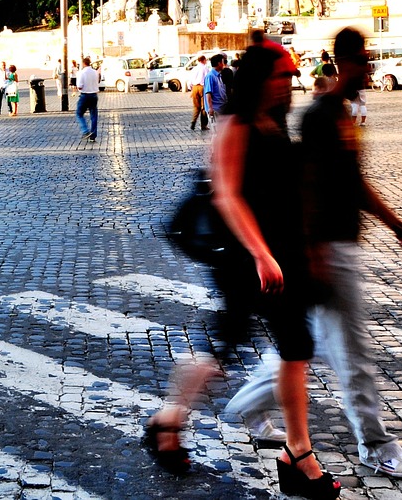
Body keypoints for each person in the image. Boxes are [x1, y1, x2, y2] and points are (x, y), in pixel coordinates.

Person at [224, 28, 402, 479]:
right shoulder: (319, 117)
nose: (370, 67)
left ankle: (244, 404)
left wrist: (399, 227)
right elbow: (307, 188)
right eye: (363, 59)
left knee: (304, 345)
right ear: (343, 62)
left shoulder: (336, 113)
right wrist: (311, 249)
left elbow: (352, 181)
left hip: (324, 246)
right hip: (326, 247)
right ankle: (375, 445)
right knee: (347, 351)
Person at [145, 44, 340, 500]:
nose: (286, 85)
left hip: (277, 257)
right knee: (269, 347)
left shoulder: (271, 121)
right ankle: (295, 455)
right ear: (256, 79)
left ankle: (172, 423)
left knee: (275, 348)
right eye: (277, 77)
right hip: (247, 259)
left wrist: (306, 248)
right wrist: (261, 254)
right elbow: (229, 195)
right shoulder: (234, 124)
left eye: (289, 78)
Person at [75, 56, 99, 141]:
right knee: (94, 115)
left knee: (79, 113)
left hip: (85, 95)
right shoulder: (95, 72)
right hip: (94, 95)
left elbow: (80, 86)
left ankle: (85, 130)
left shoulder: (82, 73)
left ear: (83, 63)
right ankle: (93, 135)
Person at [202, 54, 228, 130]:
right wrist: (210, 108)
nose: (224, 64)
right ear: (219, 63)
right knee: (216, 133)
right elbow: (208, 93)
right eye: (223, 62)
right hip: (215, 109)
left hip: (221, 108)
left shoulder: (218, 75)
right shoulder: (210, 76)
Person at [189, 55, 209, 131]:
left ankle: (193, 122)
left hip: (194, 87)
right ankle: (203, 125)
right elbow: (207, 78)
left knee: (196, 107)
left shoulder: (194, 69)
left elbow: (190, 80)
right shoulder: (205, 68)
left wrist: (191, 88)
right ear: (203, 60)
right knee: (203, 107)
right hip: (202, 87)